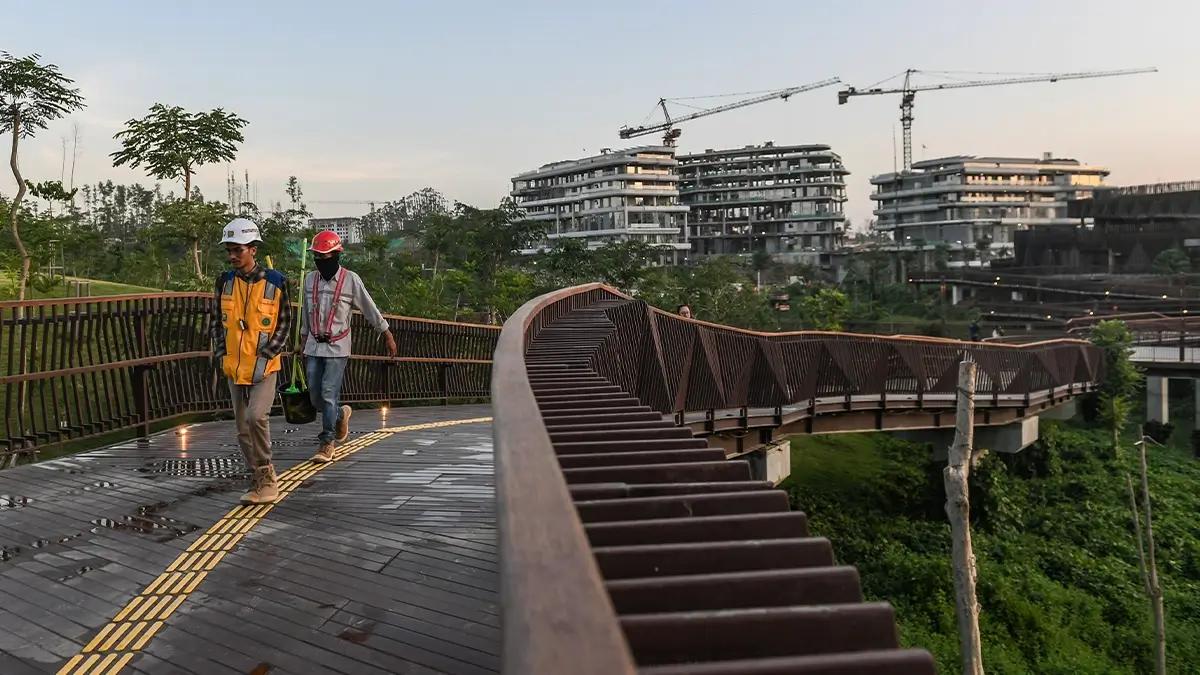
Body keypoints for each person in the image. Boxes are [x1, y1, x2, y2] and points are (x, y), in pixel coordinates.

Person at [211, 218, 292, 504]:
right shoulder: (224, 282)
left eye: (238, 250)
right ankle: (256, 477)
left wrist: (268, 354)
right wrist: (221, 353)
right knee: (242, 428)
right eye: (229, 250)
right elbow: (216, 323)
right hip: (234, 365)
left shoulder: (276, 282)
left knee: (256, 416)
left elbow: (284, 325)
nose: (233, 256)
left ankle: (268, 476)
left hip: (264, 365)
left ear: (253, 249)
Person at [301, 231, 398, 463]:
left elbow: (369, 307)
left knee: (327, 392)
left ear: (336, 255)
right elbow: (305, 312)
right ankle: (340, 415)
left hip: (337, 347)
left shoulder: (350, 280)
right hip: (313, 345)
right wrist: (302, 339)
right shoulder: (309, 280)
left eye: (325, 256)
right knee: (315, 396)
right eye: (317, 256)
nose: (320, 261)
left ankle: (326, 442)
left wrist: (386, 333)